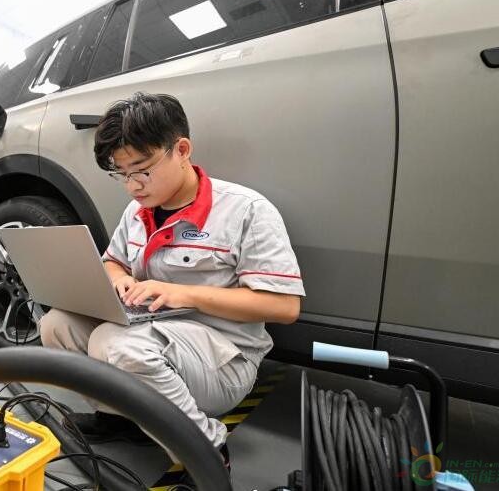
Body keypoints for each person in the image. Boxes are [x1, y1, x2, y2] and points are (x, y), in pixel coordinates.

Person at [39, 92, 304, 469]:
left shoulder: (246, 211)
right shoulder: (137, 211)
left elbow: (284, 306)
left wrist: (183, 294)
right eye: (122, 174)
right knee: (56, 326)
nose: (133, 186)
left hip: (222, 361)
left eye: (142, 170)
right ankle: (124, 420)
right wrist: (118, 280)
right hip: (146, 334)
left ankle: (205, 450)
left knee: (113, 343)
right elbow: (112, 262)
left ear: (181, 150)